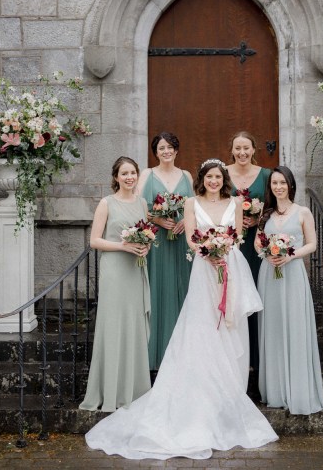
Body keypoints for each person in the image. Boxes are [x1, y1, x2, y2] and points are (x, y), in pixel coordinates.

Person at [84, 159, 278, 460]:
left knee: (231, 326)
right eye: (208, 177)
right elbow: (190, 238)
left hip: (231, 266)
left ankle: (231, 393)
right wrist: (207, 252)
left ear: (222, 178)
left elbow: (238, 238)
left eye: (217, 176)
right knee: (203, 324)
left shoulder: (236, 203)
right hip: (203, 268)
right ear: (201, 179)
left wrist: (223, 251)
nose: (213, 181)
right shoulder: (190, 203)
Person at [256, 166, 323, 415]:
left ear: (290, 185)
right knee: (273, 329)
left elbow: (312, 244)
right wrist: (266, 253)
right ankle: (275, 391)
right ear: (270, 187)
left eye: (283, 183)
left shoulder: (303, 212)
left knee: (295, 328)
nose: (278, 187)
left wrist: (289, 255)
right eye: (274, 183)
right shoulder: (265, 214)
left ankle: (298, 391)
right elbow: (258, 241)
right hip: (269, 274)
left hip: (293, 273)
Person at [79, 156, 151, 412]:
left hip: (135, 271)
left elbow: (146, 236)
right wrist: (123, 245)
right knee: (113, 326)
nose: (129, 177)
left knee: (133, 326)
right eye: (124, 173)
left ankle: (135, 390)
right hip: (115, 272)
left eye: (133, 172)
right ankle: (109, 393)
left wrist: (144, 248)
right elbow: (95, 241)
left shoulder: (142, 204)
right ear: (116, 177)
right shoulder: (106, 203)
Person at [137, 132, 193, 370]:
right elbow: (138, 206)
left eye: (170, 147)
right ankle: (155, 355)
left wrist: (185, 221)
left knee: (182, 288)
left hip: (181, 242)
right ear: (155, 151)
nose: (166, 151)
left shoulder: (186, 175)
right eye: (162, 148)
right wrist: (158, 221)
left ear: (177, 150)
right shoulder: (147, 174)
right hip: (158, 242)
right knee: (159, 290)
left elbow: (194, 207)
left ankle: (183, 354)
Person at [226, 131, 271, 374]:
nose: (242, 153)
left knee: (255, 292)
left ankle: (256, 354)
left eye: (246, 148)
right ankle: (234, 356)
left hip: (256, 243)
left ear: (254, 149)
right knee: (233, 294)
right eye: (237, 148)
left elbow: (275, 205)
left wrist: (258, 221)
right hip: (230, 244)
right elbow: (214, 202)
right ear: (231, 150)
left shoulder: (265, 175)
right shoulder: (222, 174)